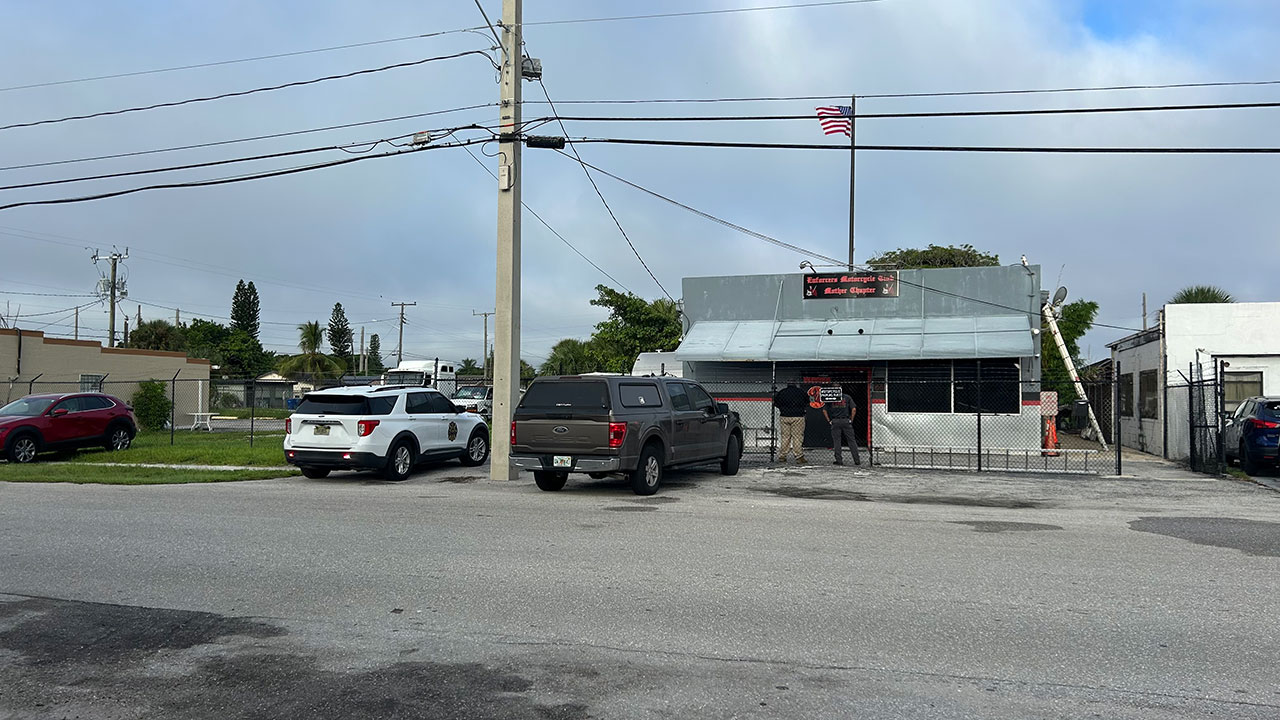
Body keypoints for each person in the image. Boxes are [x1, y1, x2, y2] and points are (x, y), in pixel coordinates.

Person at [772, 383, 808, 464]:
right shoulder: (801, 392)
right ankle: (798, 456)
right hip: (797, 416)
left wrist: (783, 409)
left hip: (784, 416)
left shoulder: (782, 392)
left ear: (787, 384)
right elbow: (807, 402)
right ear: (795, 384)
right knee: (797, 436)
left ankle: (782, 455)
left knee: (785, 436)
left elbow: (776, 403)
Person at [823, 390, 861, 466]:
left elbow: (824, 410)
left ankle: (839, 460)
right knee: (851, 441)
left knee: (837, 441)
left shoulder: (830, 398)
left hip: (835, 420)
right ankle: (857, 460)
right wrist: (851, 420)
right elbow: (854, 409)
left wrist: (829, 421)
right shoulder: (847, 397)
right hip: (845, 420)